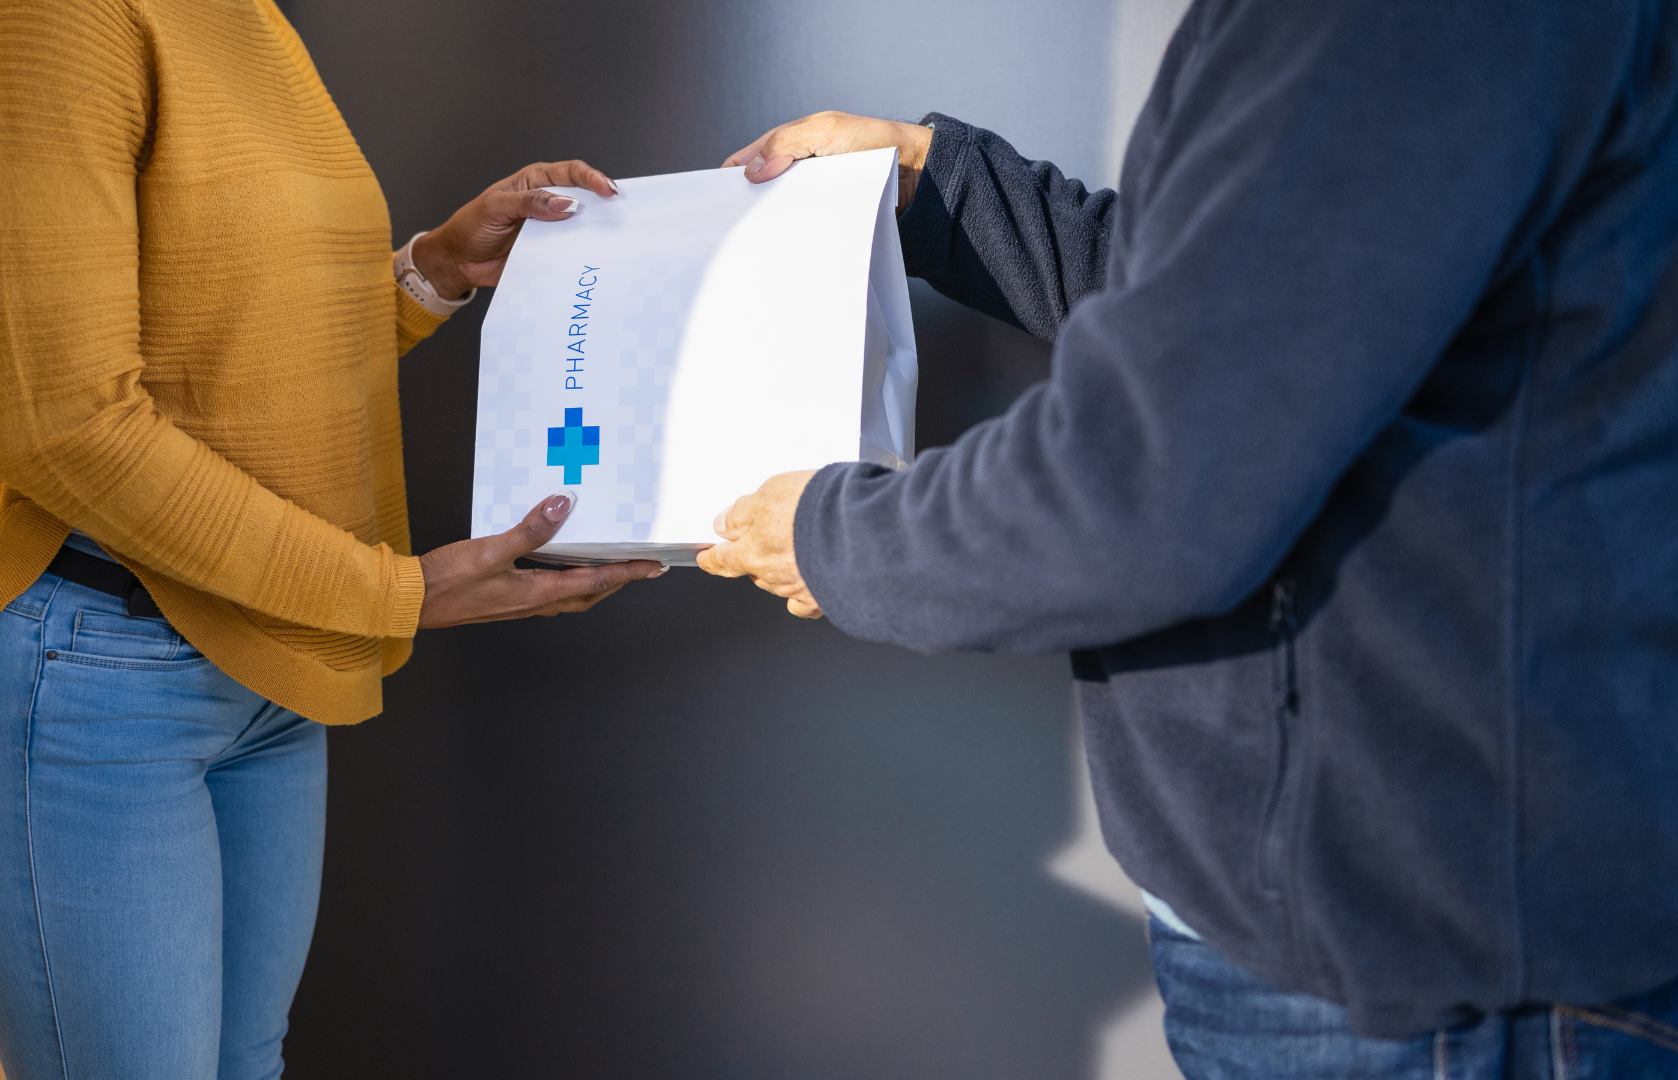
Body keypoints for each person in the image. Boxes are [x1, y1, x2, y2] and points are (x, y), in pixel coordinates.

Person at [700, 1, 1678, 1076]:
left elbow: (1151, 477)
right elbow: (1248, 303)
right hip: (1377, 946)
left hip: (1430, 989)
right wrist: (942, 191)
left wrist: (839, 535)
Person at [0, 0, 661, 1076]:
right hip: (103, 675)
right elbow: (64, 429)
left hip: (272, 661)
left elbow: (236, 352)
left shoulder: (245, 16)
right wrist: (395, 595)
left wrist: (433, 267)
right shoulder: (54, 17)